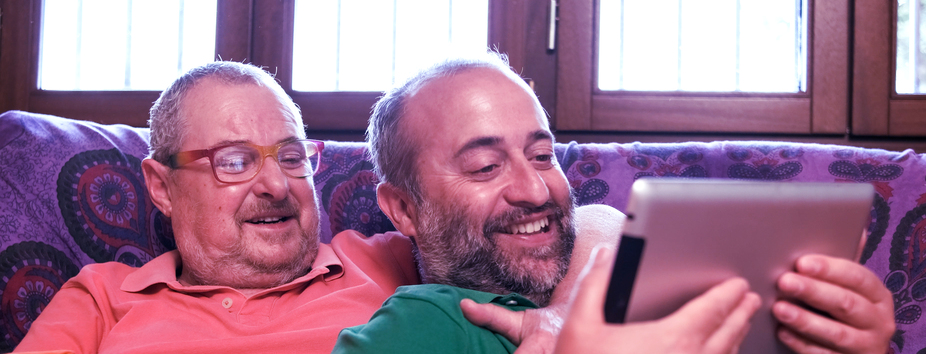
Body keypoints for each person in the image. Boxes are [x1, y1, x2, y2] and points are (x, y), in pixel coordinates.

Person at [334, 53, 897, 354]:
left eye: (541, 155)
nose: (534, 190)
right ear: (403, 209)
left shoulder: (661, 283)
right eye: (485, 167)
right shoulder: (425, 324)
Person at [14, 62, 420, 354]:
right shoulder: (100, 300)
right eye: (234, 161)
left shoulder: (394, 259)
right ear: (162, 187)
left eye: (292, 157)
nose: (277, 185)